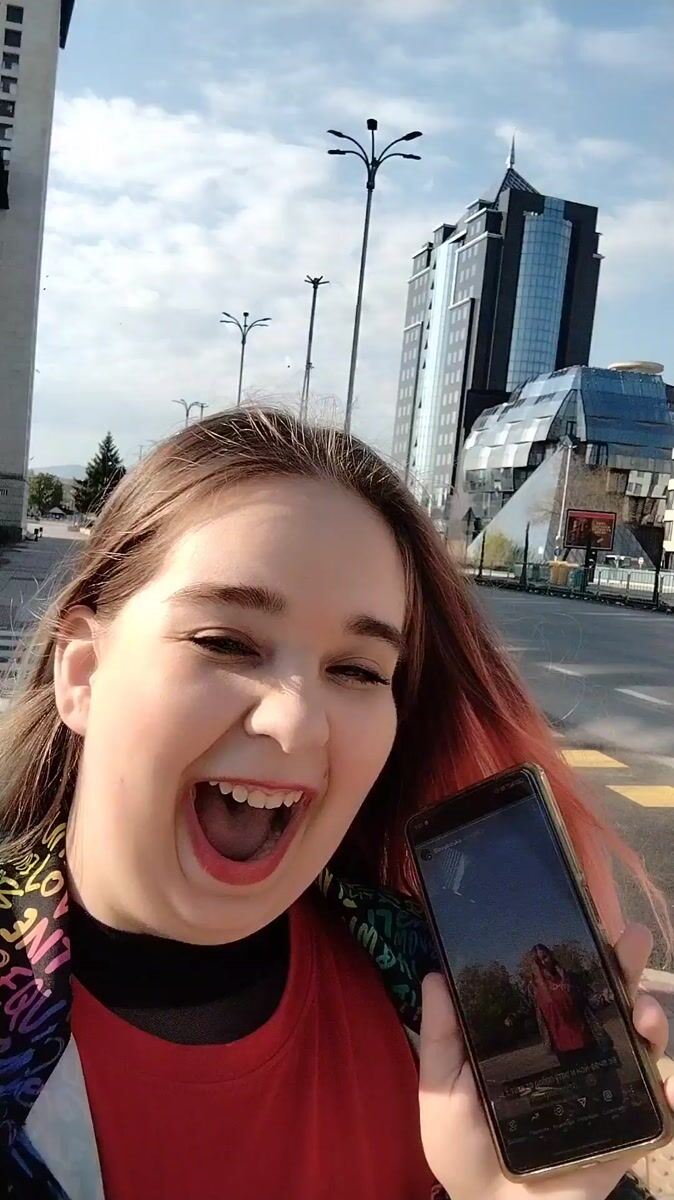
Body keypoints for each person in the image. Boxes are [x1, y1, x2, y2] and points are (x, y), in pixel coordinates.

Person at [0, 408, 670, 1200]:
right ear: (82, 673)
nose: (295, 723)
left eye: (357, 670)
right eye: (226, 642)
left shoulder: (436, 1008)